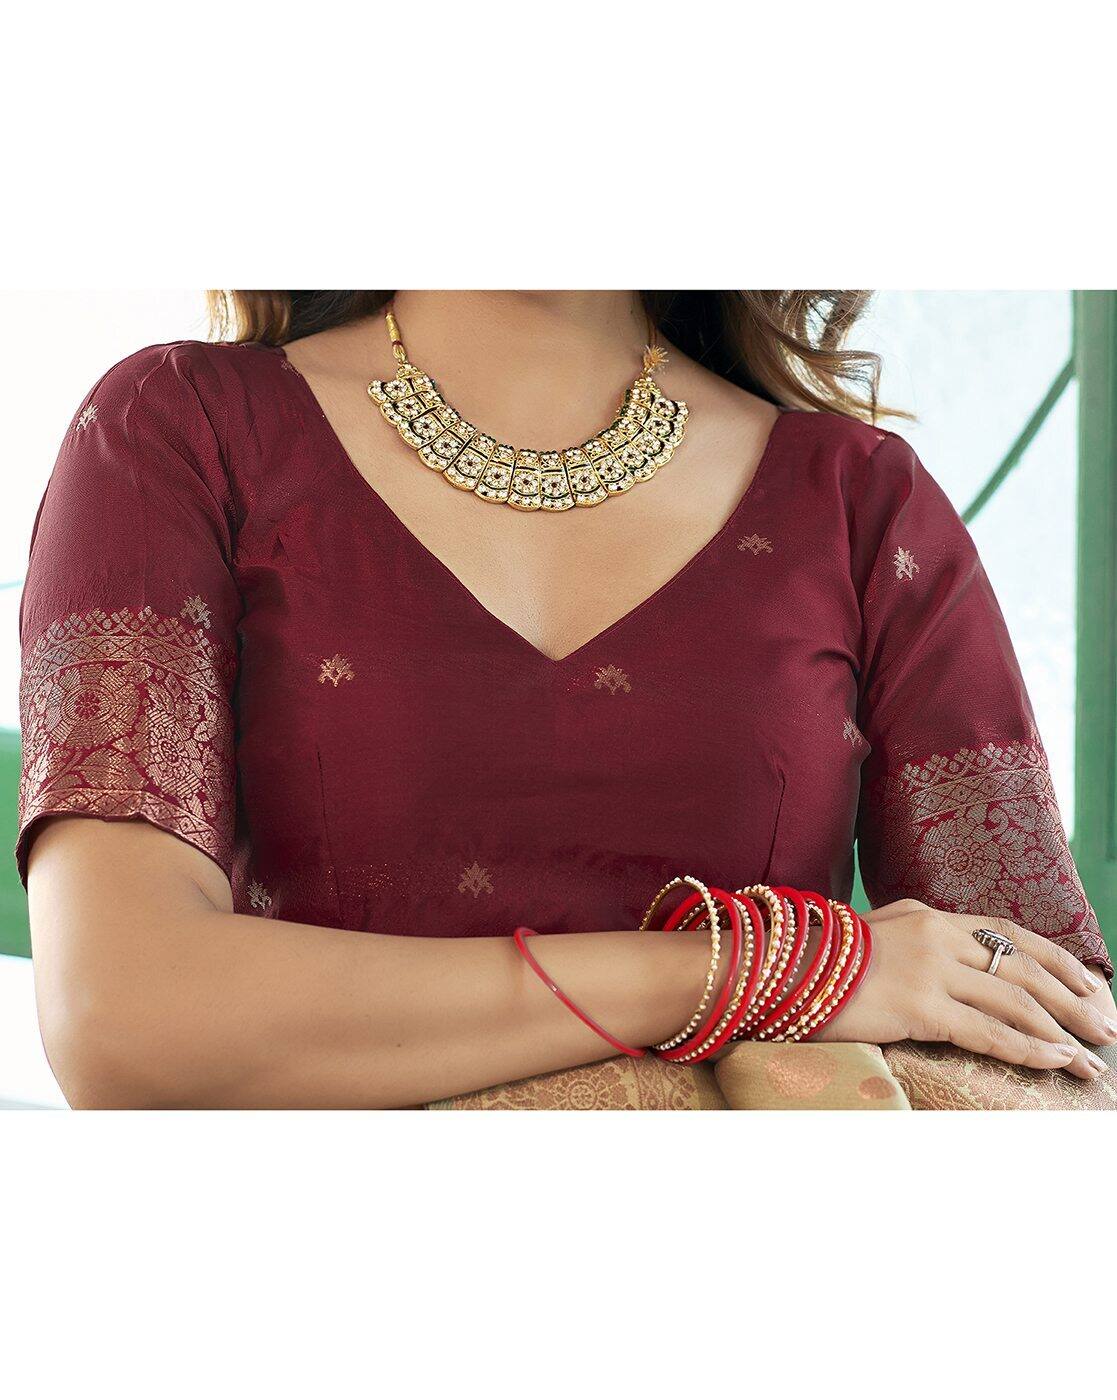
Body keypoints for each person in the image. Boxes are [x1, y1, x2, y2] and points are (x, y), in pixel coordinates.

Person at [17, 290, 1115, 1108]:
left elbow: (1055, 1041)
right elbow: (123, 1016)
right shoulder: (181, 429)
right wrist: (761, 971)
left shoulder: (859, 500)